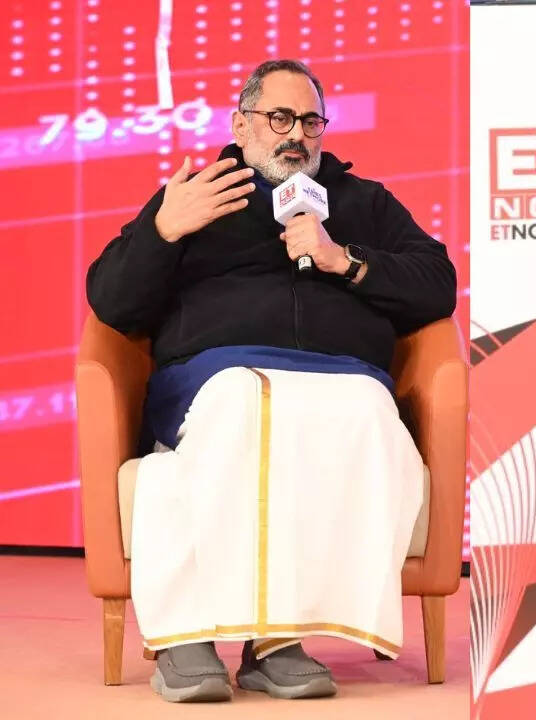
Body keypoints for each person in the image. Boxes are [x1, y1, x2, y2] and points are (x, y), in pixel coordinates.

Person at [86, 59, 457, 702]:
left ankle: (275, 639)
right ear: (241, 125)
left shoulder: (363, 202)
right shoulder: (198, 195)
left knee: (368, 410)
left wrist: (343, 259)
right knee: (245, 401)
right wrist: (162, 231)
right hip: (219, 373)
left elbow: (437, 284)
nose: (296, 135)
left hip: (342, 375)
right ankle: (196, 636)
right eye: (279, 118)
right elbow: (112, 302)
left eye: (310, 121)